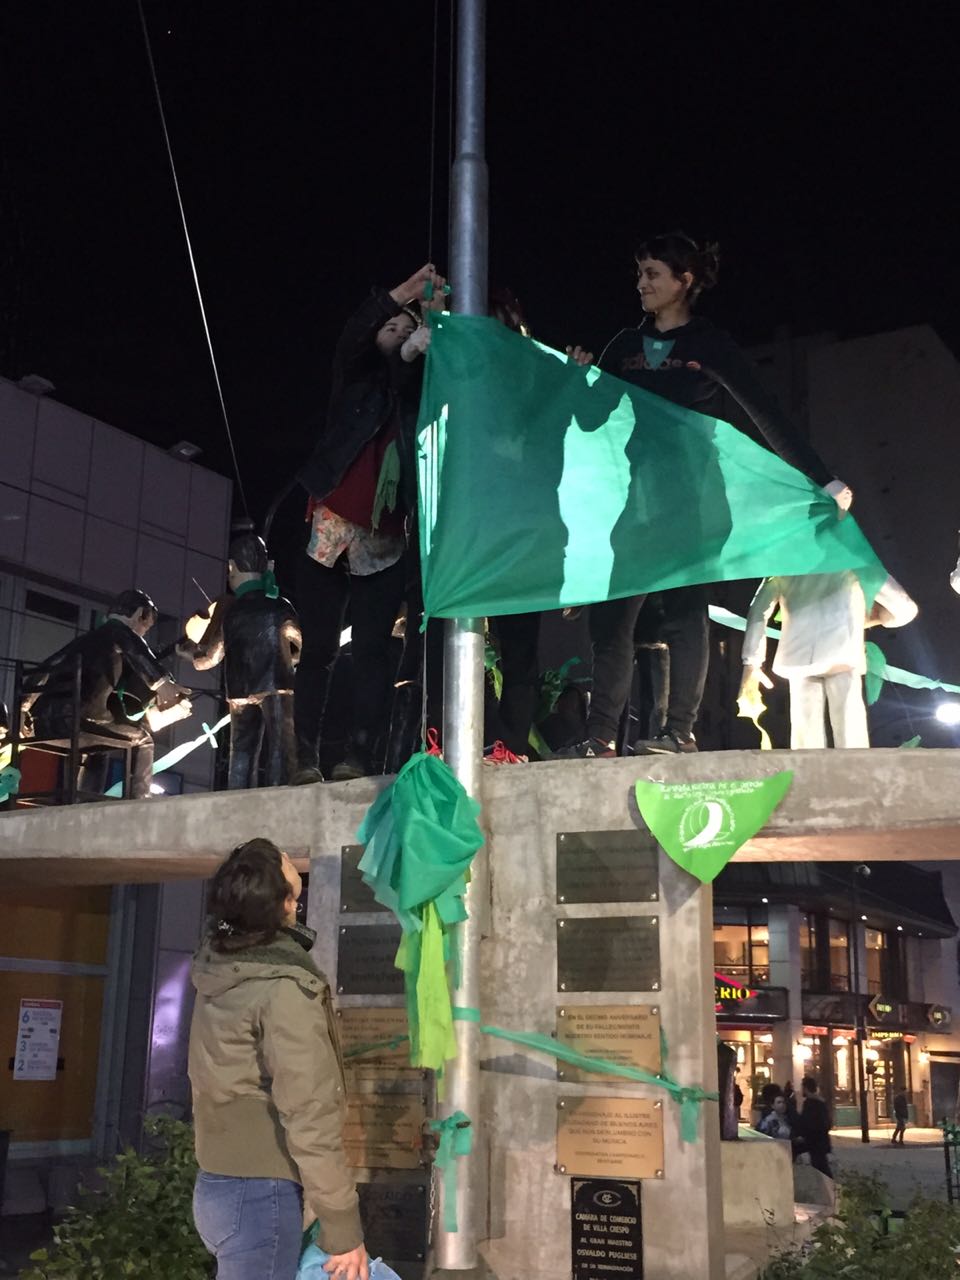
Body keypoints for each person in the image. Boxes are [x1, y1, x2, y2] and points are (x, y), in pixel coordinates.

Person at [563, 232, 852, 759]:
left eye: (653, 274)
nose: (642, 284)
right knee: (610, 618)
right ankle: (599, 737)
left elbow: (766, 412)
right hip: (637, 500)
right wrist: (580, 378)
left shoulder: (710, 344)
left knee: (683, 611)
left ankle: (679, 732)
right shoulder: (624, 345)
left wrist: (821, 478)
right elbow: (591, 417)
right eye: (639, 274)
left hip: (693, 502)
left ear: (685, 282)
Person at [189, 838, 367, 1280]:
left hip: (217, 1186)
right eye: (286, 867)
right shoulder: (283, 988)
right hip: (259, 1195)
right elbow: (308, 1111)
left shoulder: (219, 963)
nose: (291, 862)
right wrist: (342, 1226)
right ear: (287, 902)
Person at [294, 263, 444, 783]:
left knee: (373, 652)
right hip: (331, 527)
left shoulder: (418, 394)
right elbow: (354, 336)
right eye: (392, 327)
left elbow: (444, 374)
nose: (401, 333)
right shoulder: (354, 379)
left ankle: (359, 754)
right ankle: (304, 757)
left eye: (409, 328)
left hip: (384, 537)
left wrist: (436, 322)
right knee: (317, 649)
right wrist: (401, 294)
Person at [24, 588, 186, 799]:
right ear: (139, 615)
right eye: (146, 626)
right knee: (142, 739)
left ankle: (84, 798)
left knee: (100, 745)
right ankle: (140, 800)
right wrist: (165, 685)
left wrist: (24, 710)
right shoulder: (120, 632)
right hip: (78, 723)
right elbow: (141, 656)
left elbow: (40, 672)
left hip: (45, 724)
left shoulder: (83, 641)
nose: (144, 631)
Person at [740, 572, 917, 748]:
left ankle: (808, 772)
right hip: (842, 651)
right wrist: (878, 618)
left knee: (805, 733)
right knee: (850, 727)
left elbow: (758, 613)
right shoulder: (853, 558)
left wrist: (751, 662)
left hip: (798, 655)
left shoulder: (782, 565)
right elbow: (904, 606)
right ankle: (854, 771)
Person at [181, 531, 301, 788]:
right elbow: (302, 642)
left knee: (241, 750)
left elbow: (209, 658)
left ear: (232, 568)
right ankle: (281, 795)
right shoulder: (280, 606)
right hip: (276, 684)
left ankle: (237, 796)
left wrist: (190, 655)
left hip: (238, 690)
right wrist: (292, 658)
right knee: (281, 745)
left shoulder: (230, 612)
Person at [795, 1075, 832, 1177]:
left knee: (820, 1168)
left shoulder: (810, 1104)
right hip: (820, 1141)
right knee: (821, 1167)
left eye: (802, 1088)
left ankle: (830, 1188)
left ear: (806, 1088)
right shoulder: (821, 1102)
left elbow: (807, 1122)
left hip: (814, 1142)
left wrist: (802, 1136)